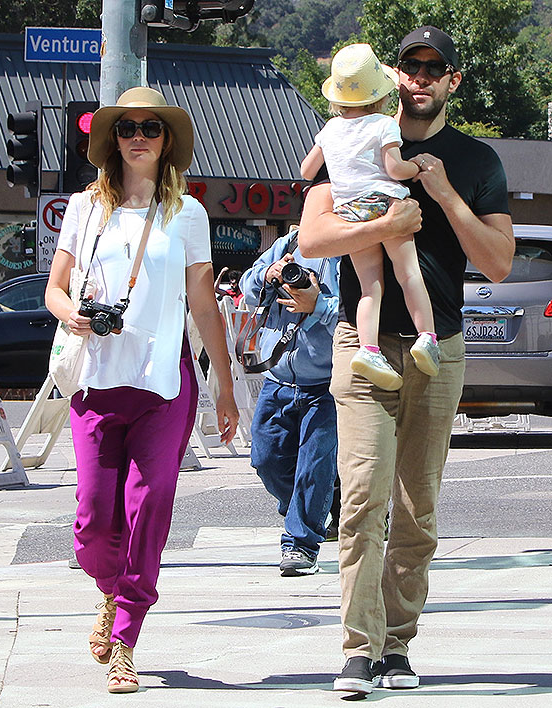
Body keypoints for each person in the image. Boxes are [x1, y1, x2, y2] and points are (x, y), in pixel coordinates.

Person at [298, 26, 514, 695]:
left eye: (434, 68)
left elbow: (498, 264)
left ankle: (397, 645)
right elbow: (313, 235)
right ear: (394, 74)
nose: (420, 78)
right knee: (362, 501)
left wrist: (444, 192)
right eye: (411, 66)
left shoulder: (477, 162)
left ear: (453, 80)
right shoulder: (354, 130)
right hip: (361, 348)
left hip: (438, 349)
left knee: (416, 509)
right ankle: (359, 649)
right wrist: (383, 228)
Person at [45, 87, 238, 694]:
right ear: (112, 139)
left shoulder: (189, 214)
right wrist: (68, 313)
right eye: (127, 128)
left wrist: (224, 387)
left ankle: (126, 634)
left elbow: (204, 305)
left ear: (166, 140)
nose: (138, 137)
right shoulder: (84, 208)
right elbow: (55, 287)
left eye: (150, 128)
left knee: (149, 506)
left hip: (162, 385)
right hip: (97, 383)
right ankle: (111, 589)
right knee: (94, 521)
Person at [300, 43, 438, 391]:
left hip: (351, 213)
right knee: (408, 274)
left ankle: (369, 348)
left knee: (369, 286)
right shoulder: (382, 125)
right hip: (387, 203)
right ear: (379, 95)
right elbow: (394, 168)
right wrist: (417, 165)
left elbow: (306, 171)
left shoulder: (330, 128)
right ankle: (427, 337)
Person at [239, 230, 340, 576]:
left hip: (327, 384)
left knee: (314, 466)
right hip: (278, 379)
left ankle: (300, 544)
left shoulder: (354, 249)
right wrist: (267, 275)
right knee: (265, 458)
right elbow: (246, 288)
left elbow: (363, 310)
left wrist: (319, 304)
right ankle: (316, 502)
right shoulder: (289, 244)